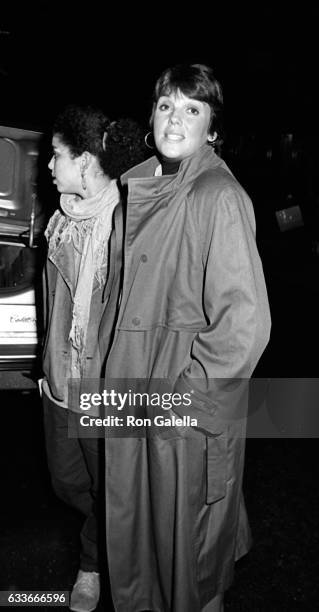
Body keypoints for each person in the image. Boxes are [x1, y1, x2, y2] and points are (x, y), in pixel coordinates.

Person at [98, 64, 271, 612]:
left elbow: (245, 324)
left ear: (212, 128)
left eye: (192, 109)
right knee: (145, 550)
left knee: (192, 571)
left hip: (180, 411)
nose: (176, 118)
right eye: (167, 105)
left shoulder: (217, 195)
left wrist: (184, 400)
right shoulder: (147, 184)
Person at [40, 104, 146, 612]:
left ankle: (94, 564)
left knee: (111, 487)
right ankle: (112, 531)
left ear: (84, 161)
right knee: (67, 483)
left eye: (56, 155)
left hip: (105, 388)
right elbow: (51, 298)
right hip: (61, 381)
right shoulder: (60, 220)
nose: (48, 165)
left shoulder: (129, 224)